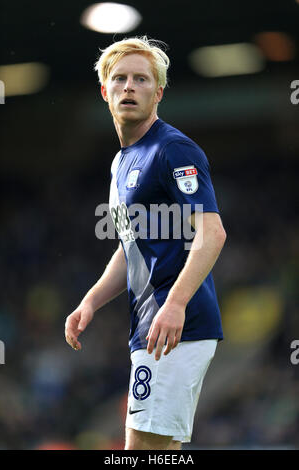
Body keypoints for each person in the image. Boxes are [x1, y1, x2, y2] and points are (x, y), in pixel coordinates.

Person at [65, 36, 226, 450]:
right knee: (160, 452)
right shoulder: (121, 162)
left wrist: (175, 302)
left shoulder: (173, 149)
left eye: (141, 79)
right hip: (152, 326)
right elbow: (128, 248)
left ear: (158, 92)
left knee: (140, 451)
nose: (129, 87)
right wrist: (91, 301)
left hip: (177, 326)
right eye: (120, 79)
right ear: (106, 91)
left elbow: (212, 232)